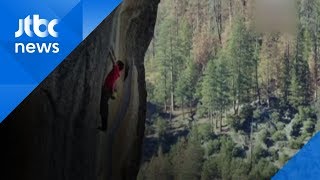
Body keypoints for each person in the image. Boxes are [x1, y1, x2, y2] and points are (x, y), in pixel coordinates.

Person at [98, 48, 125, 131]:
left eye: (117, 64)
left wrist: (110, 52)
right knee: (104, 107)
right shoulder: (117, 73)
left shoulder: (116, 69)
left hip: (107, 90)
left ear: (118, 66)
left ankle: (104, 127)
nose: (116, 64)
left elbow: (114, 61)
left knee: (103, 107)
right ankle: (104, 126)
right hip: (108, 90)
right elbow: (115, 61)